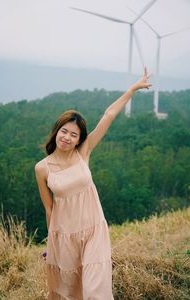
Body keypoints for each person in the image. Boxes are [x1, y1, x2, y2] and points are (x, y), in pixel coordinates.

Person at [35, 67, 151, 300]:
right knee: (69, 291)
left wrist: (133, 89)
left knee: (95, 288)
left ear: (80, 138)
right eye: (64, 131)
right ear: (56, 131)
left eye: (74, 134)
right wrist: (53, 244)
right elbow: (49, 209)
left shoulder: (83, 152)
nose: (67, 138)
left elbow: (108, 115)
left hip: (93, 230)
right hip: (65, 236)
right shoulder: (42, 168)